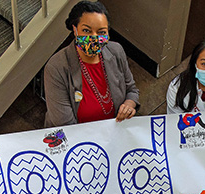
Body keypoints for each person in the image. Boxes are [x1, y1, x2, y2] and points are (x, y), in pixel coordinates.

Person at [43, 0, 139, 128]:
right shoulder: (56, 68)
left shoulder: (116, 51)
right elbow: (64, 123)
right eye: (87, 31)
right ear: (75, 30)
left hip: (114, 130)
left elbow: (132, 90)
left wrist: (129, 104)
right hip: (77, 138)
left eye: (101, 32)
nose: (94, 38)